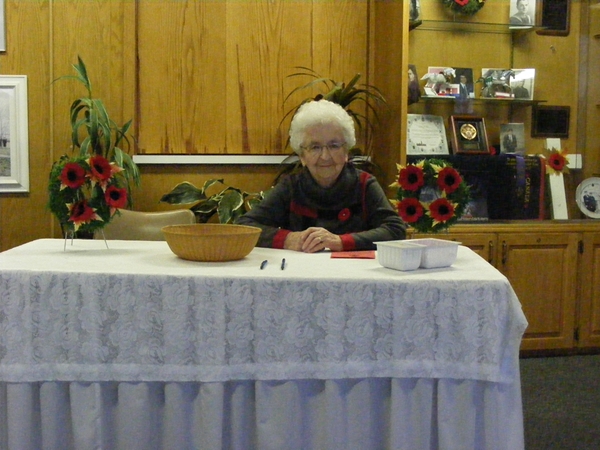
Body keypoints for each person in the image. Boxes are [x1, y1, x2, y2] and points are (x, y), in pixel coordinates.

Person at [236, 100, 406, 253]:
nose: (325, 156)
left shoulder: (364, 184)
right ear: (302, 156)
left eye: (334, 145)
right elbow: (245, 226)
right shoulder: (291, 187)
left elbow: (395, 229)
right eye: (315, 147)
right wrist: (289, 239)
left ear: (346, 152)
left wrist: (340, 241)